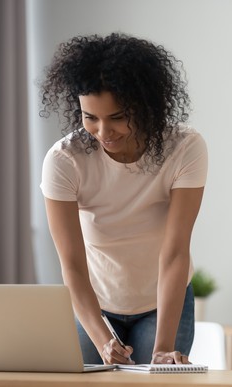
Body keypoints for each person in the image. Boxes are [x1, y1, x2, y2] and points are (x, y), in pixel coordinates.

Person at [39, 32, 208, 365]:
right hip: (93, 301)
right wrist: (103, 341)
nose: (104, 132)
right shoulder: (64, 160)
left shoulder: (185, 148)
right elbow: (71, 265)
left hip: (162, 301)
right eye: (91, 117)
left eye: (117, 117)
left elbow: (175, 253)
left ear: (145, 107)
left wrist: (162, 349)